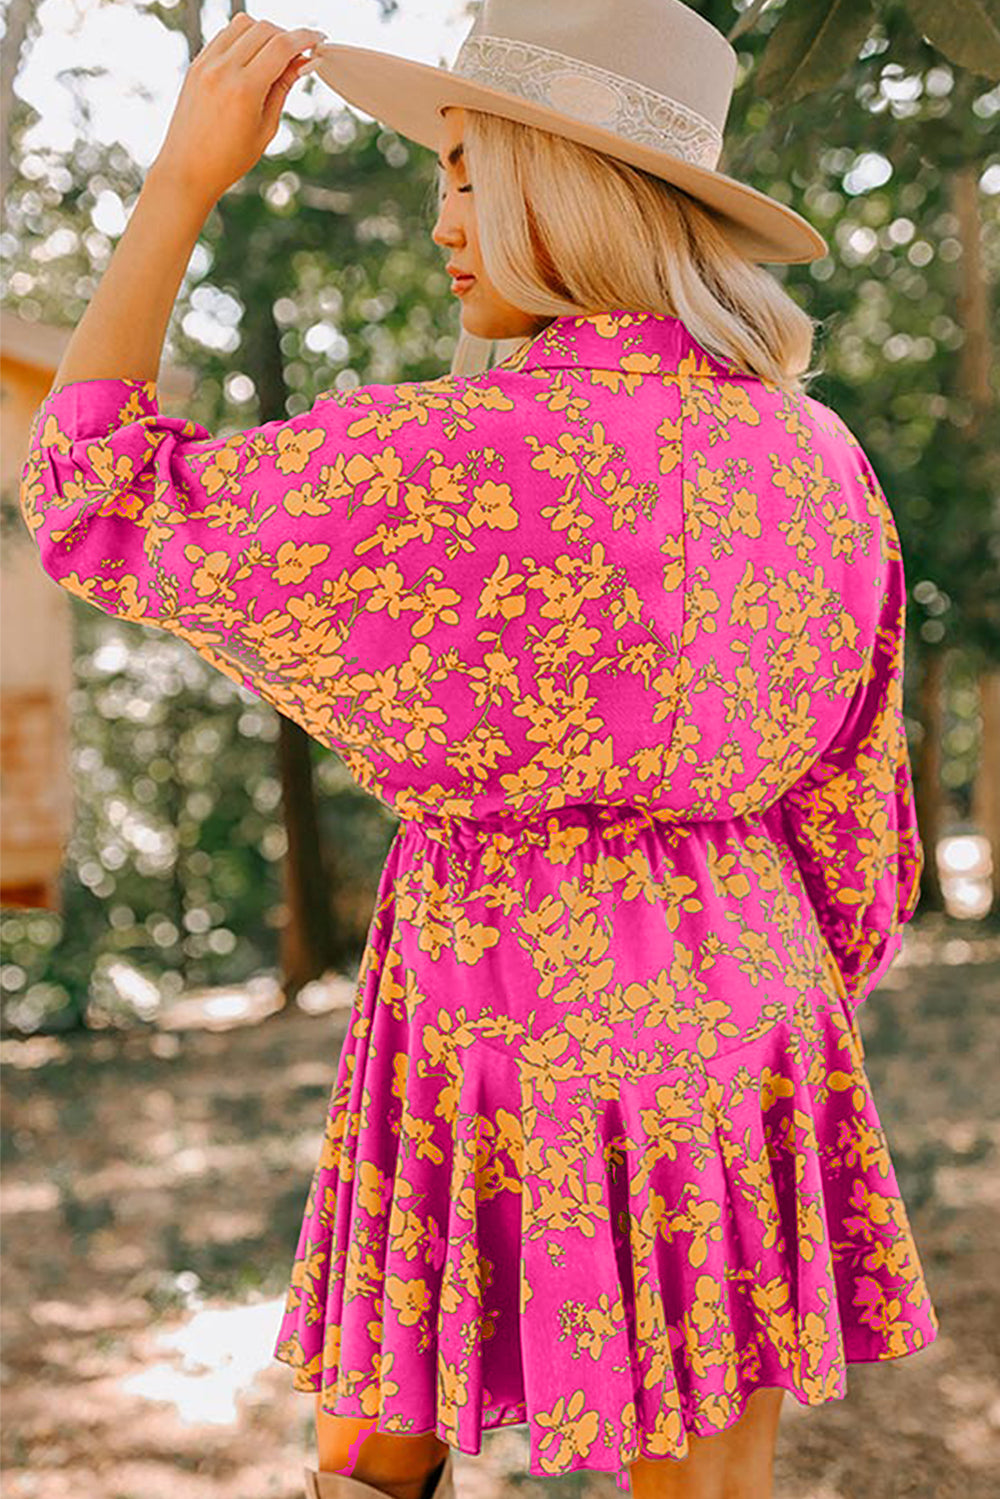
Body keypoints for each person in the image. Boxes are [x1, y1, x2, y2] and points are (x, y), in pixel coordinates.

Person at [17, 3, 939, 1498]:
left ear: (561, 190)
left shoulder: (449, 455)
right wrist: (773, 1008)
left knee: (378, 1452)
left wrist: (181, 181)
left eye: (466, 173)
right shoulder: (820, 457)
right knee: (708, 1477)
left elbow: (92, 496)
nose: (444, 221)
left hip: (488, 986)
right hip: (743, 990)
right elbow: (858, 819)